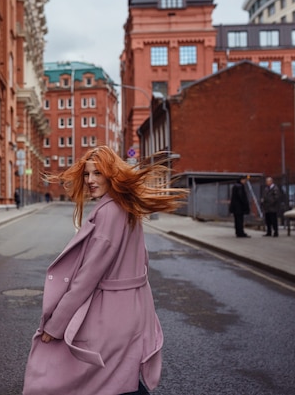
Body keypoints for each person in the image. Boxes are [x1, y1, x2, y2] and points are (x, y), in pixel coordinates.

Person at [22, 146, 186, 395]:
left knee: (78, 377)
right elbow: (143, 261)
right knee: (120, 378)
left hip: (110, 315)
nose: (90, 181)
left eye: (97, 173)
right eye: (87, 174)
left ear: (111, 174)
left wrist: (55, 325)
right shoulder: (126, 208)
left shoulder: (109, 212)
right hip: (132, 310)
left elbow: (87, 277)